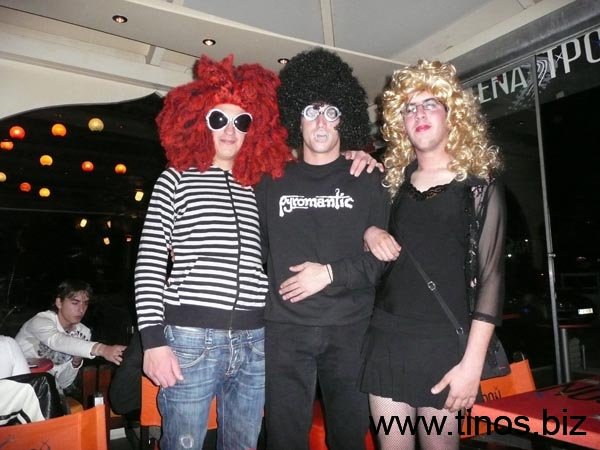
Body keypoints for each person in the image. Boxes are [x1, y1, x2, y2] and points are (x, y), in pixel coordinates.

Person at [359, 60, 505, 450]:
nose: (419, 114)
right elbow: (362, 239)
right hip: (387, 340)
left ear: (451, 114)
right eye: (409, 108)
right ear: (400, 123)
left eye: (429, 104)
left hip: (444, 348)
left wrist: (472, 364)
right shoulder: (390, 184)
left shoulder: (478, 187)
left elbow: (491, 279)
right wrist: (370, 233)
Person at [255, 48, 388, 450]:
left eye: (332, 112)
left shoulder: (368, 178)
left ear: (344, 119)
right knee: (284, 438)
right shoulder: (270, 181)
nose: (321, 121)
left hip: (350, 329)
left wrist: (328, 274)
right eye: (311, 110)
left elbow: (382, 261)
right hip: (284, 330)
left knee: (349, 437)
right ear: (296, 116)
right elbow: (254, 249)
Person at [15, 279, 127, 392]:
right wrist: (102, 349)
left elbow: (63, 383)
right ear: (59, 303)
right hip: (19, 387)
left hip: (48, 392)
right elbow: (56, 340)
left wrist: (75, 362)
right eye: (75, 303)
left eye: (85, 303)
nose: (81, 309)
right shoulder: (40, 321)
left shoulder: (83, 333)